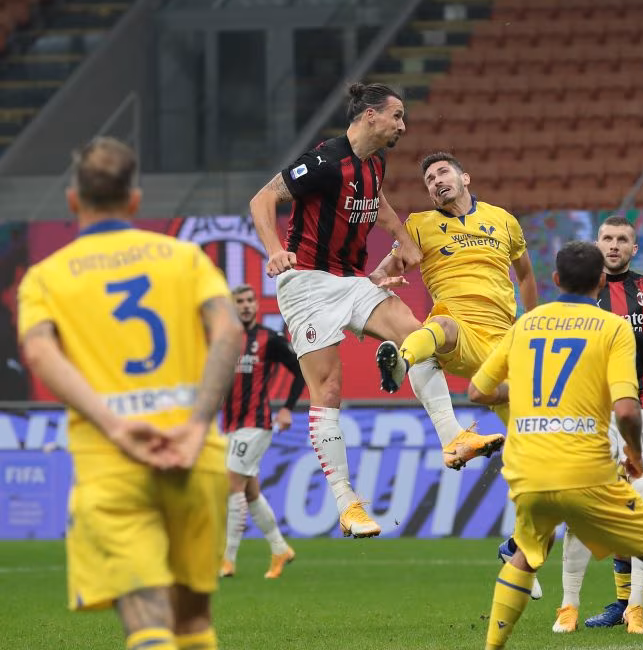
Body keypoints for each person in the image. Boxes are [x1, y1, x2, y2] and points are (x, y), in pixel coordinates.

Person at [17, 137, 243, 650]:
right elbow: (229, 332)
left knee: (148, 625)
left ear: (73, 200)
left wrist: (116, 426)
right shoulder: (185, 259)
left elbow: (40, 353)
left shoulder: (45, 278)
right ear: (135, 200)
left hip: (112, 463)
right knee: (193, 623)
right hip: (193, 457)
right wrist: (194, 425)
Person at [249, 84, 498, 539]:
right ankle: (346, 503)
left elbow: (377, 201)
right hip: (306, 283)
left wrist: (401, 238)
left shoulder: (375, 163)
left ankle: (453, 437)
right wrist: (273, 250)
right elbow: (261, 199)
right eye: (396, 116)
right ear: (370, 116)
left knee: (416, 334)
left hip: (352, 279)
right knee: (328, 389)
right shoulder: (324, 161)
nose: (403, 125)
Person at [467, 240, 643, 650]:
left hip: (527, 471)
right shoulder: (613, 327)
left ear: (555, 279)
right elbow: (627, 410)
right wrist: (634, 454)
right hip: (585, 470)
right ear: (601, 281)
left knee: (527, 553)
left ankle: (493, 646)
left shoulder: (526, 324)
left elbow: (478, 392)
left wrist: (521, 391)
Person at [549, 215, 643, 634]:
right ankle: (568, 606)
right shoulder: (583, 291)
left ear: (634, 248)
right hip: (590, 409)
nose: (613, 245)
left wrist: (621, 335)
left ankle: (635, 608)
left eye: (622, 239)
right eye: (607, 238)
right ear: (597, 244)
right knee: (581, 505)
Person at [372, 152, 536, 468]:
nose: (436, 181)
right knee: (440, 326)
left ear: (465, 178)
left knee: (531, 445)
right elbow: (382, 270)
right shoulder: (418, 225)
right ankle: (401, 364)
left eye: (443, 173)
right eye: (430, 180)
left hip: (503, 342)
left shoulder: (503, 220)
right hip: (460, 332)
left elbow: (526, 275)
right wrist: (382, 277)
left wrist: (531, 322)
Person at [219, 284, 305, 580]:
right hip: (230, 425)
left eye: (249, 300)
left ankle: (228, 560)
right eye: (239, 301)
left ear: (256, 305)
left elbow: (300, 370)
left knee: (232, 485)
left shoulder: (269, 339)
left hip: (256, 425)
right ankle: (280, 549)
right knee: (250, 491)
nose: (245, 305)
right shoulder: (224, 339)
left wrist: (287, 408)